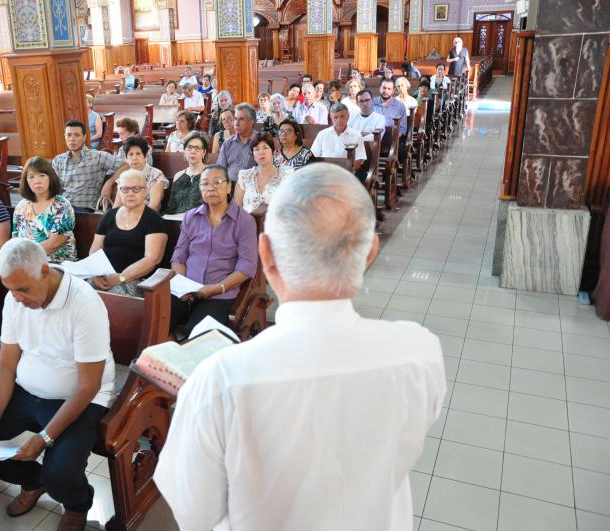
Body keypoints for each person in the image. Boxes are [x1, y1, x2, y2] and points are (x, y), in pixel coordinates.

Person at [155, 163, 446, 531]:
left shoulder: (218, 380)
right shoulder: (419, 354)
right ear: (369, 253)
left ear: (266, 254)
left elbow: (193, 513)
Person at [0, 238, 116, 531]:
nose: (16, 298)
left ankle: (78, 503)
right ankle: (32, 481)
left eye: (23, 289)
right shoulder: (15, 298)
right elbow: (6, 362)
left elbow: (88, 385)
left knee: (61, 474)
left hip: (79, 397)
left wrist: (43, 439)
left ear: (44, 271)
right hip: (28, 390)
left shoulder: (84, 303)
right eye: (10, 289)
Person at [169, 165, 257, 334]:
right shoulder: (191, 217)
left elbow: (246, 267)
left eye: (217, 182)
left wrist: (217, 288)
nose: (210, 188)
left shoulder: (244, 221)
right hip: (188, 290)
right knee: (157, 318)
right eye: (205, 184)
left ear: (229, 187)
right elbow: (179, 257)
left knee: (195, 335)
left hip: (220, 292)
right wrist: (182, 285)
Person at [91, 169, 167, 295]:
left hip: (136, 280)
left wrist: (120, 278)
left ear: (146, 190)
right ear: (119, 191)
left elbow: (152, 259)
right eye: (125, 189)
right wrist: (95, 274)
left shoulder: (154, 220)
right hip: (103, 275)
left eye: (136, 189)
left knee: (110, 298)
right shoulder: (109, 215)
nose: (130, 193)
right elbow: (94, 250)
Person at [14, 157, 77, 263]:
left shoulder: (62, 205)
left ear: (50, 177)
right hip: (25, 262)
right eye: (31, 177)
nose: (37, 181)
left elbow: (53, 244)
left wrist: (24, 258)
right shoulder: (21, 206)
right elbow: (15, 239)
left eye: (42, 175)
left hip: (55, 263)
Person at [51, 120, 122, 212]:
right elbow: (56, 190)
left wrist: (109, 182)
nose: (72, 139)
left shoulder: (97, 156)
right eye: (69, 135)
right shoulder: (58, 160)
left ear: (84, 137)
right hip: (63, 208)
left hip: (85, 210)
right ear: (65, 136)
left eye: (76, 135)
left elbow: (125, 165)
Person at [235, 133, 292, 213]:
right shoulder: (244, 176)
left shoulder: (286, 176)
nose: (261, 152)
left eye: (265, 148)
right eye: (257, 149)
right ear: (252, 154)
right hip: (246, 223)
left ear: (273, 151)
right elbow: (237, 210)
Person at [311, 104, 367, 181]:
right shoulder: (322, 134)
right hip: (325, 172)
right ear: (331, 118)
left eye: (342, 116)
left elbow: (359, 160)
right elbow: (313, 155)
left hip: (347, 173)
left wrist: (345, 172)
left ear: (348, 116)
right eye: (335, 117)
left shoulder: (356, 135)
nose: (339, 120)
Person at [111, 136, 168, 211]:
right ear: (126, 158)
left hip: (147, 218)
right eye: (131, 154)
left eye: (138, 154)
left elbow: (154, 206)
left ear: (145, 156)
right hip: (124, 217)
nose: (134, 158)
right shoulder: (124, 176)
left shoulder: (156, 175)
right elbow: (117, 204)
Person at [162, 131, 207, 216]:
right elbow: (171, 207)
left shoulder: (210, 173)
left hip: (200, 222)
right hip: (176, 221)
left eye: (197, 148)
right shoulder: (178, 176)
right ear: (184, 151)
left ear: (204, 152)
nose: (193, 151)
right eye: (189, 147)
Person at [217, 104, 257, 182]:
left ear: (251, 121)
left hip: (252, 188)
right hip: (229, 188)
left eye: (241, 119)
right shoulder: (227, 143)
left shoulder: (260, 141)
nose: (237, 123)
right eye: (235, 119)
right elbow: (220, 170)